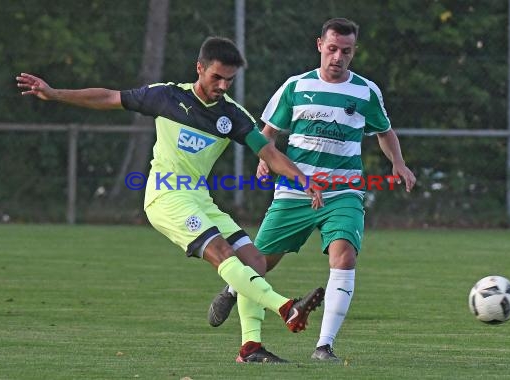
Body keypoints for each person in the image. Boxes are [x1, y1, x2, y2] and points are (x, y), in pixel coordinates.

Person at [16, 36, 326, 363]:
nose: (223, 85)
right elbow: (109, 96)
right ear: (199, 68)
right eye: (216, 77)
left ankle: (251, 347)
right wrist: (54, 93)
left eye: (229, 79)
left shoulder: (232, 115)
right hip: (165, 196)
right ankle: (286, 307)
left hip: (199, 199)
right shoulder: (166, 96)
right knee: (222, 252)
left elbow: (268, 152)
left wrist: (302, 179)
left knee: (256, 262)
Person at [207, 18, 416, 362]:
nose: (337, 57)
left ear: (354, 52)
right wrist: (264, 158)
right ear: (320, 45)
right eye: (332, 49)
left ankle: (324, 345)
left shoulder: (366, 91)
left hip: (343, 191)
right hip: (295, 190)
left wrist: (399, 163)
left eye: (345, 51)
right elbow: (269, 130)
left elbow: (384, 131)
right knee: (258, 263)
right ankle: (234, 288)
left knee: (345, 255)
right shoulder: (296, 86)